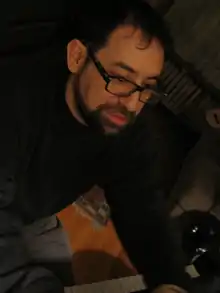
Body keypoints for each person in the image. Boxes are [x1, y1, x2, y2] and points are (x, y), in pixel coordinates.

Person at [0, 0, 190, 292]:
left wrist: (170, 281)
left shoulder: (128, 123)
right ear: (77, 56)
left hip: (35, 216)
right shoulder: (16, 95)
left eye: (145, 87)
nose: (130, 103)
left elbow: (143, 211)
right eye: (120, 78)